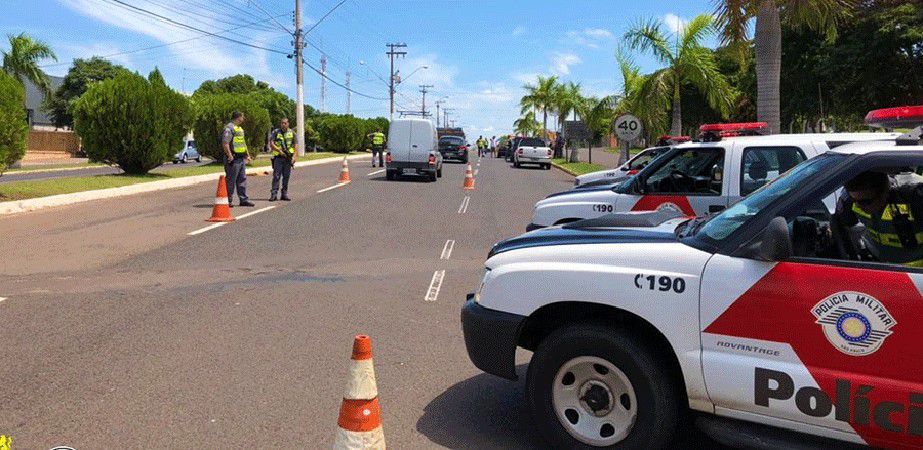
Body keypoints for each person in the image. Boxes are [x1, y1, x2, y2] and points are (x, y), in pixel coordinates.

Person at [836, 170, 923, 266]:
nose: (858, 206)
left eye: (865, 201)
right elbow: (843, 225)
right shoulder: (850, 200)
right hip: (885, 267)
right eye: (854, 200)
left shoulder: (914, 196)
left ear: (884, 193)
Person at [222, 111, 254, 207]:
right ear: (238, 117)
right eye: (242, 117)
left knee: (242, 179)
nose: (243, 119)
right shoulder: (229, 128)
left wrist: (247, 155)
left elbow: (243, 143)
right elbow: (225, 143)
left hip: (241, 158)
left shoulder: (239, 129)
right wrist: (229, 155)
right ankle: (228, 200)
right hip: (233, 159)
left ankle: (243, 199)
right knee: (231, 180)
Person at [269, 117, 296, 202]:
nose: (283, 124)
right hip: (278, 157)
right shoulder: (275, 132)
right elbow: (271, 144)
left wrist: (294, 157)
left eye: (285, 123)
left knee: (286, 177)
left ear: (288, 124)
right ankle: (274, 194)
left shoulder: (292, 133)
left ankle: (284, 194)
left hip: (288, 158)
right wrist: (279, 150)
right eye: (282, 123)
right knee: (276, 176)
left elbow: (296, 145)